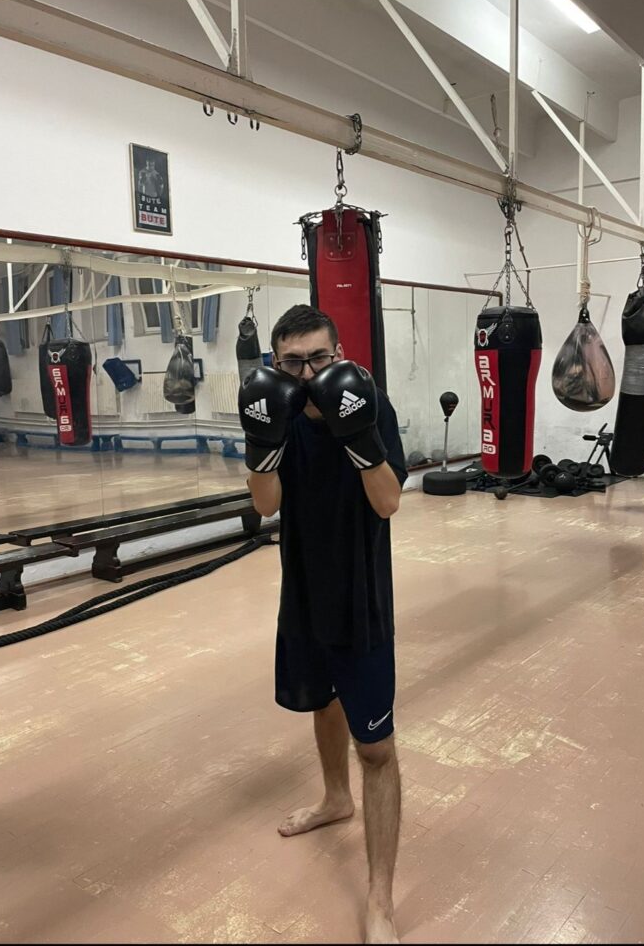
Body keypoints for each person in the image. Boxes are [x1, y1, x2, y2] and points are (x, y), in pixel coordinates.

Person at [239, 304, 407, 945]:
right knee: (322, 702)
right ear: (275, 363)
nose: (307, 373)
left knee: (378, 750)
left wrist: (356, 436)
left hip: (361, 598)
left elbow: (387, 502)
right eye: (293, 362)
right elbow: (265, 505)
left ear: (338, 354)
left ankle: (380, 902)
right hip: (305, 594)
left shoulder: (369, 403)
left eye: (318, 358)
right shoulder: (273, 410)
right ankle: (336, 800)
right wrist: (263, 444)